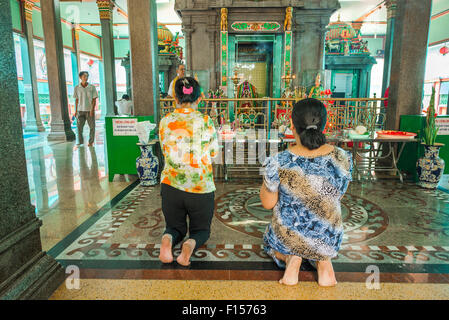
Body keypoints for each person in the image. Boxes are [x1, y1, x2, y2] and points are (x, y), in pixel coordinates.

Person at [260, 98, 353, 287]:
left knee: (269, 239)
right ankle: (323, 261)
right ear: (323, 126)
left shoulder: (279, 161)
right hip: (327, 238)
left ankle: (291, 258)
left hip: (289, 238)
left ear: (292, 126)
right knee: (320, 234)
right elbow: (337, 196)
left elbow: (268, 203)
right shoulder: (342, 158)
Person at [158, 77, 219, 266]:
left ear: (175, 98)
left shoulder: (165, 121)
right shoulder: (206, 121)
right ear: (199, 98)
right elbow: (214, 153)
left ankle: (167, 241)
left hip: (170, 187)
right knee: (201, 231)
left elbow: (164, 150)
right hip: (200, 188)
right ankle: (189, 246)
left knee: (174, 227)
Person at [73, 71, 98, 146]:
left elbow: (94, 100)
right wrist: (76, 111)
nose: (86, 78)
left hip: (89, 111)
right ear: (80, 77)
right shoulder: (77, 88)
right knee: (79, 128)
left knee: (92, 127)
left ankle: (91, 142)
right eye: (84, 76)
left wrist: (92, 110)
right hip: (80, 110)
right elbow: (76, 100)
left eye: (87, 76)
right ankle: (80, 142)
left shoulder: (92, 87)